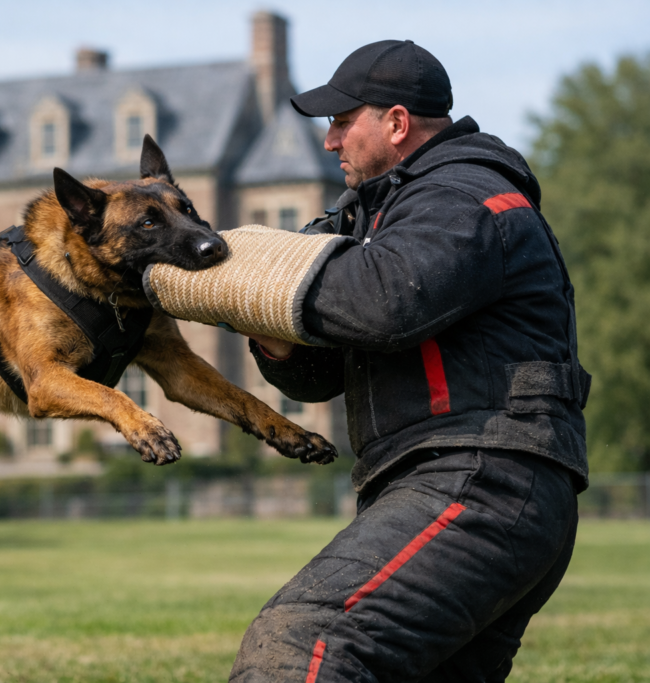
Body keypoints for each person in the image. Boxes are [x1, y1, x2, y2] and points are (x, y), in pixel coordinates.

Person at [230, 40, 590, 682]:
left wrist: (252, 279)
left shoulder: (466, 195)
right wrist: (271, 334)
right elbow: (323, 372)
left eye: (342, 122)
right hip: (450, 480)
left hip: (483, 477)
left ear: (396, 124)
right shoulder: (378, 214)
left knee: (305, 643)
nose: (329, 141)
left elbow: (386, 304)